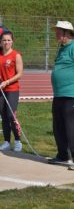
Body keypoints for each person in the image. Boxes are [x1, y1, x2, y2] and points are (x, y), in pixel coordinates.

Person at [48, 21, 74, 169]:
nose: (56, 34)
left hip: (71, 94)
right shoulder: (61, 48)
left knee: (71, 128)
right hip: (59, 94)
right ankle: (63, 155)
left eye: (58, 31)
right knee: (58, 127)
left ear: (67, 33)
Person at [0, 30, 23, 152]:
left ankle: (17, 141)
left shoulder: (16, 55)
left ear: (12, 42)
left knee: (11, 115)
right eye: (4, 40)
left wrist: (7, 82)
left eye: (9, 40)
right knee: (3, 116)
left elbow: (20, 74)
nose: (6, 42)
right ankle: (6, 141)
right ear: (0, 42)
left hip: (12, 89)